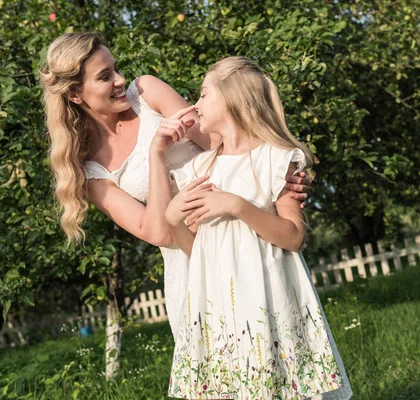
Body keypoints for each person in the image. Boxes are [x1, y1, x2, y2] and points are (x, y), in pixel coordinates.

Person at [39, 32, 313, 338]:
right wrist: (156, 155)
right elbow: (158, 232)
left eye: (116, 68)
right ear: (75, 94)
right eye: (105, 76)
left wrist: (278, 174)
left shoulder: (146, 92)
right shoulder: (89, 170)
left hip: (242, 230)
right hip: (188, 260)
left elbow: (221, 141)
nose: (120, 80)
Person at [165, 56, 351, 399]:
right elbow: (198, 250)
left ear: (233, 99)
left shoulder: (275, 158)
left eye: (204, 94)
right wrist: (174, 219)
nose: (195, 103)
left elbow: (293, 237)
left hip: (269, 301)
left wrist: (238, 206)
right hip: (219, 304)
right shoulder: (199, 169)